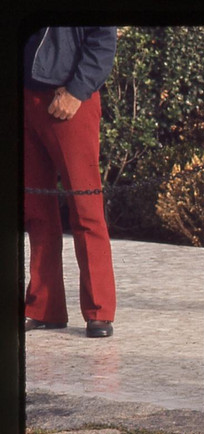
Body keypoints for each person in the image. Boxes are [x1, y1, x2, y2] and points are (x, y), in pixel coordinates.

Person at [24, 26, 118, 338]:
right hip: (24, 97)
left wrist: (78, 90)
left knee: (85, 207)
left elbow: (103, 39)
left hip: (69, 99)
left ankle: (99, 312)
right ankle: (43, 309)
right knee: (36, 210)